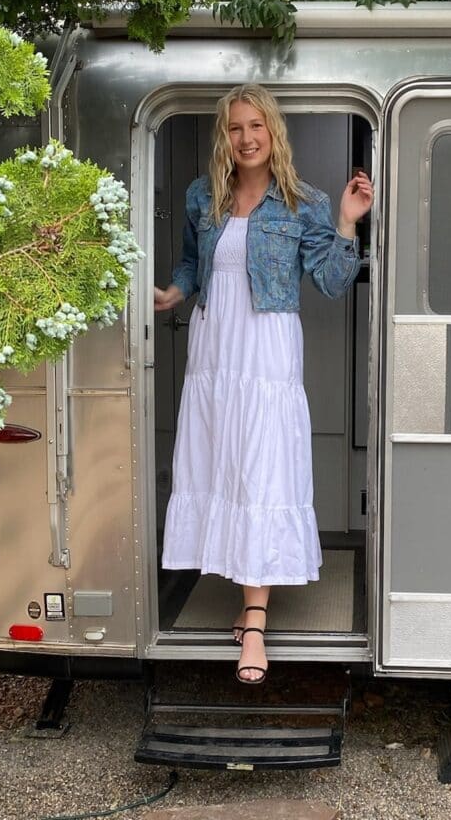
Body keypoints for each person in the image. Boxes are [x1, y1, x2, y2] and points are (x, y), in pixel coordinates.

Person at [154, 85, 373, 684]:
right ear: (222, 137)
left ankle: (254, 621)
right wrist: (174, 293)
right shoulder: (204, 197)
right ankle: (236, 588)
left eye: (256, 126)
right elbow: (192, 267)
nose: (246, 138)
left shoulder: (303, 203)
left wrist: (348, 224)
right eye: (234, 128)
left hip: (267, 353)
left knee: (261, 469)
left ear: (273, 132)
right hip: (213, 352)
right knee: (220, 466)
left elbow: (330, 281)